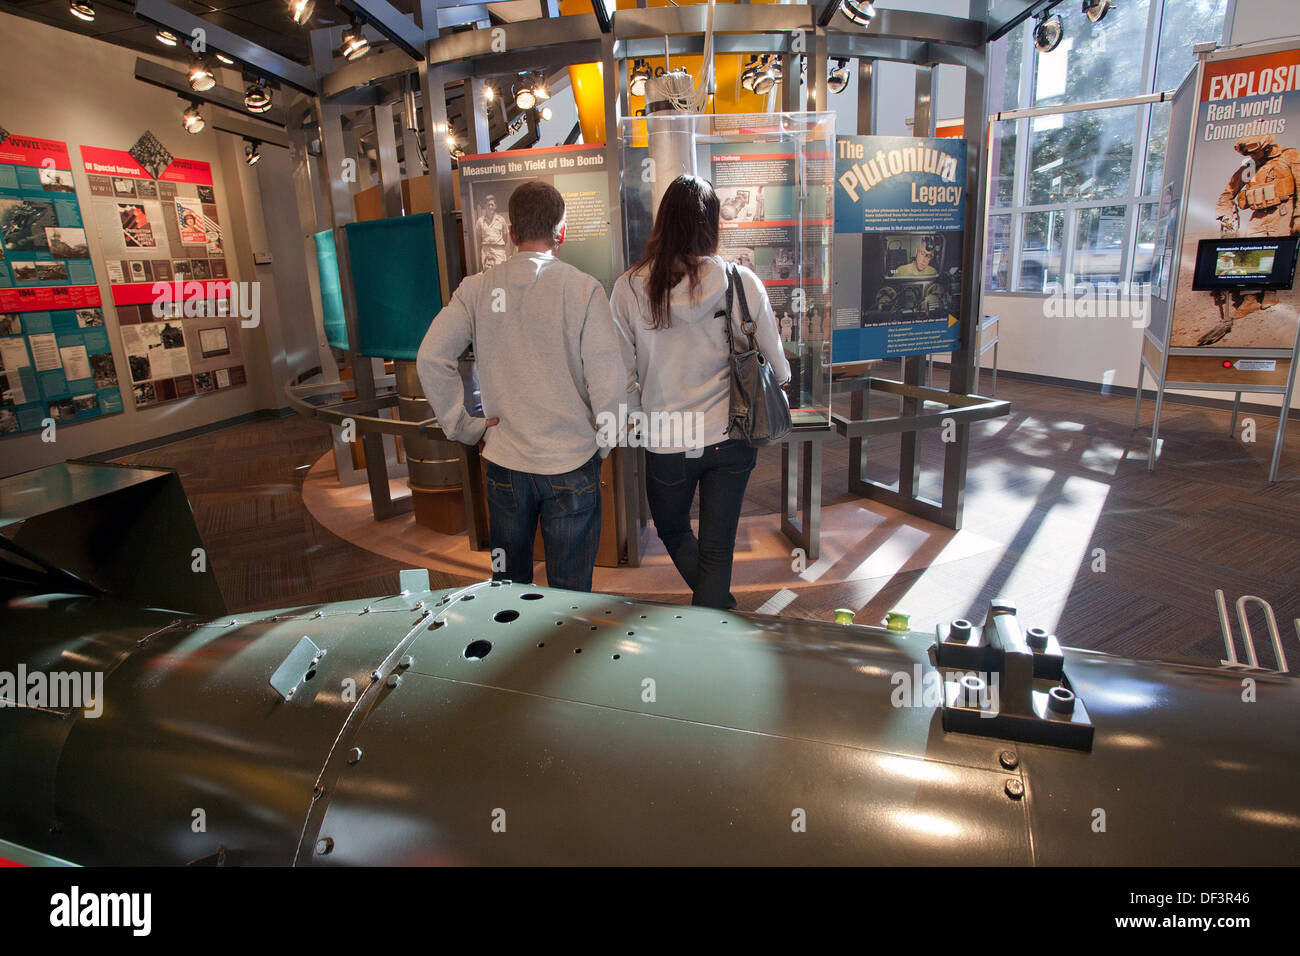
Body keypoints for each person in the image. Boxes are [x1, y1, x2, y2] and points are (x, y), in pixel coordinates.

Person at [417, 180, 627, 592]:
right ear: (561, 231)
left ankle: (514, 654)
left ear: (510, 233)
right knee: (570, 592)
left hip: (505, 461)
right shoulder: (583, 290)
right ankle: (565, 655)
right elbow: (609, 378)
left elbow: (431, 357)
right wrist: (603, 440)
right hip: (571, 461)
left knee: (508, 586)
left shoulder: (476, 289)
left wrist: (464, 427)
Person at [610, 175, 791, 610]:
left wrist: (640, 417)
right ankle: (717, 612)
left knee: (671, 529)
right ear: (713, 224)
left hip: (666, 439)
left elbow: (621, 374)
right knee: (717, 547)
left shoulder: (630, 288)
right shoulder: (742, 281)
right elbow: (779, 369)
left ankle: (717, 613)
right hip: (732, 436)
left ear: (663, 222)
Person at [475, 194, 509, 270]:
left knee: (501, 272)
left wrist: (497, 245)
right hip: (486, 251)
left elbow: (505, 237)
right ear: (485, 207)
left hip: (499, 251)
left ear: (495, 206)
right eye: (488, 205)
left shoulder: (501, 220)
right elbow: (478, 239)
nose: (490, 207)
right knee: (487, 275)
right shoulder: (480, 222)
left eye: (492, 205)